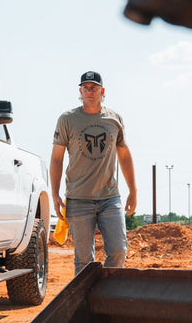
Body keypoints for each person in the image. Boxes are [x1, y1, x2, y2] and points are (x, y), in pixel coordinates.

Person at [51, 70, 137, 274]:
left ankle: (109, 297)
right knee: (83, 260)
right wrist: (54, 193)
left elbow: (124, 155)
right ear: (80, 90)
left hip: (109, 197)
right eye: (86, 87)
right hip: (78, 199)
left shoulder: (114, 119)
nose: (89, 91)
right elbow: (56, 158)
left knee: (118, 250)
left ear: (102, 90)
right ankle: (86, 303)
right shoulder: (67, 119)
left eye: (94, 87)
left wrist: (133, 190)